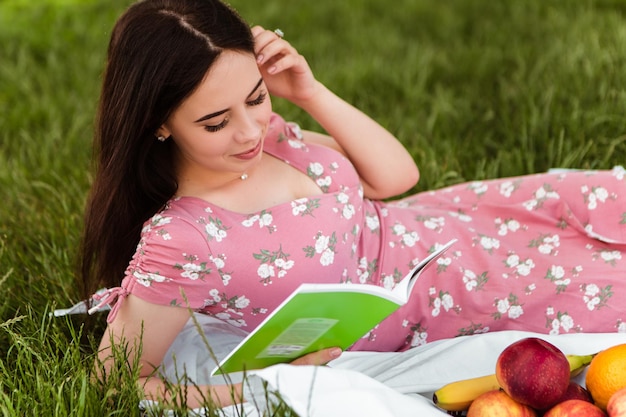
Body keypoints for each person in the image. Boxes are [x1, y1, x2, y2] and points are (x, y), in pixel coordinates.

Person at [79, 0, 626, 410]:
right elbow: (116, 382)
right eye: (215, 122)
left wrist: (309, 92)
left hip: (444, 238)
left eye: (255, 96)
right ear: (157, 122)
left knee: (592, 216)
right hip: (433, 319)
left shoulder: (275, 136)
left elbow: (396, 177)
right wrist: (258, 386)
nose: (249, 131)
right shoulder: (184, 239)